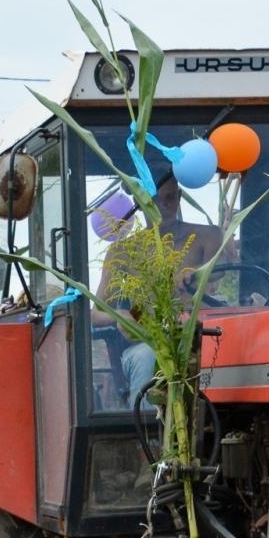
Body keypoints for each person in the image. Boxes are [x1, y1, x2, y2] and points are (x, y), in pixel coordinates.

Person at [92, 160, 229, 406]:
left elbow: (222, 274)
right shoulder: (122, 251)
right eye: (154, 201)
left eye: (170, 199)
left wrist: (196, 275)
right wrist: (121, 315)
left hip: (205, 336)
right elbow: (97, 313)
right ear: (139, 202)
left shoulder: (209, 236)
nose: (164, 207)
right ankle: (145, 436)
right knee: (148, 358)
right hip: (149, 341)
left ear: (179, 197)